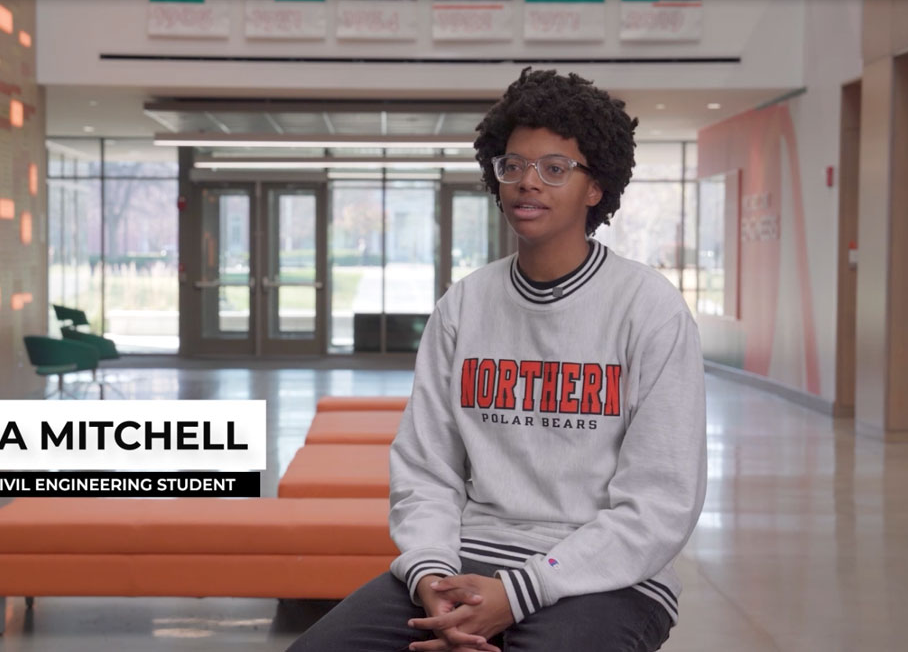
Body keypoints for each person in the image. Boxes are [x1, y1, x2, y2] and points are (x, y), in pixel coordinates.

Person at [287, 68, 707, 652]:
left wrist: (519, 592)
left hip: (607, 577)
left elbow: (660, 505)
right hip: (464, 559)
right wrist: (431, 576)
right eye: (512, 166)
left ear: (595, 187)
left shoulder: (648, 309)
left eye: (554, 168)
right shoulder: (465, 304)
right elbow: (425, 469)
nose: (527, 183)